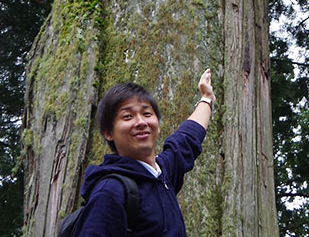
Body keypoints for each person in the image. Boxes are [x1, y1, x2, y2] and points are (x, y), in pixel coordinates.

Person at [70, 69, 216, 237]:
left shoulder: (160, 174)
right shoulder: (110, 192)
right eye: (127, 117)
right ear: (108, 132)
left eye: (147, 113)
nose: (140, 122)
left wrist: (207, 99)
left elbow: (186, 140)